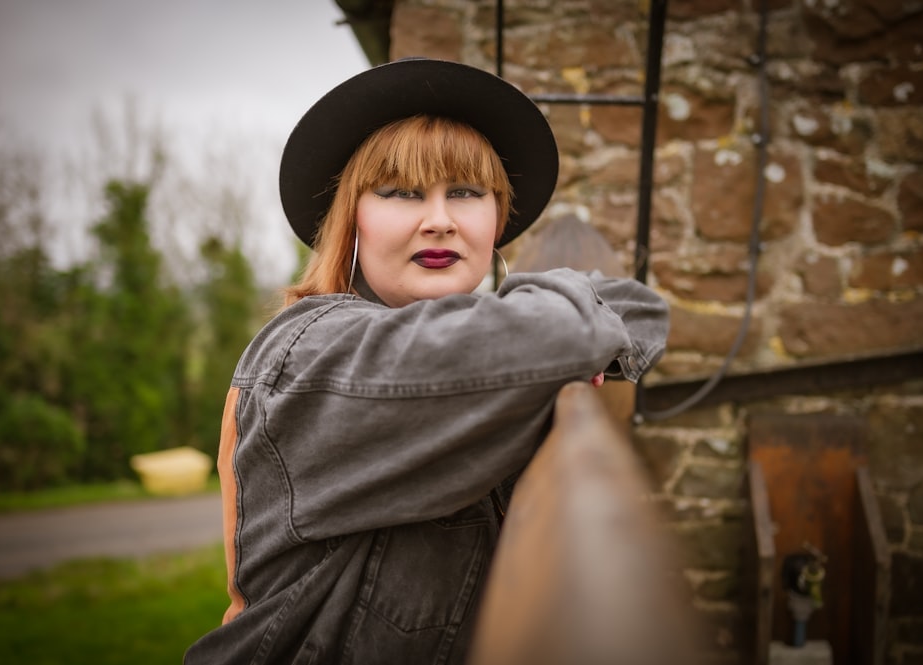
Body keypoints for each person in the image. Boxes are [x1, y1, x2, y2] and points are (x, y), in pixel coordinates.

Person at [185, 58, 669, 665]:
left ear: (497, 219)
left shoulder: (471, 334)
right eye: (400, 193)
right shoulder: (311, 353)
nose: (439, 220)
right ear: (351, 218)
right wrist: (573, 329)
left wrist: (566, 324)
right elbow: (570, 331)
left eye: (466, 193)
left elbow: (644, 310)